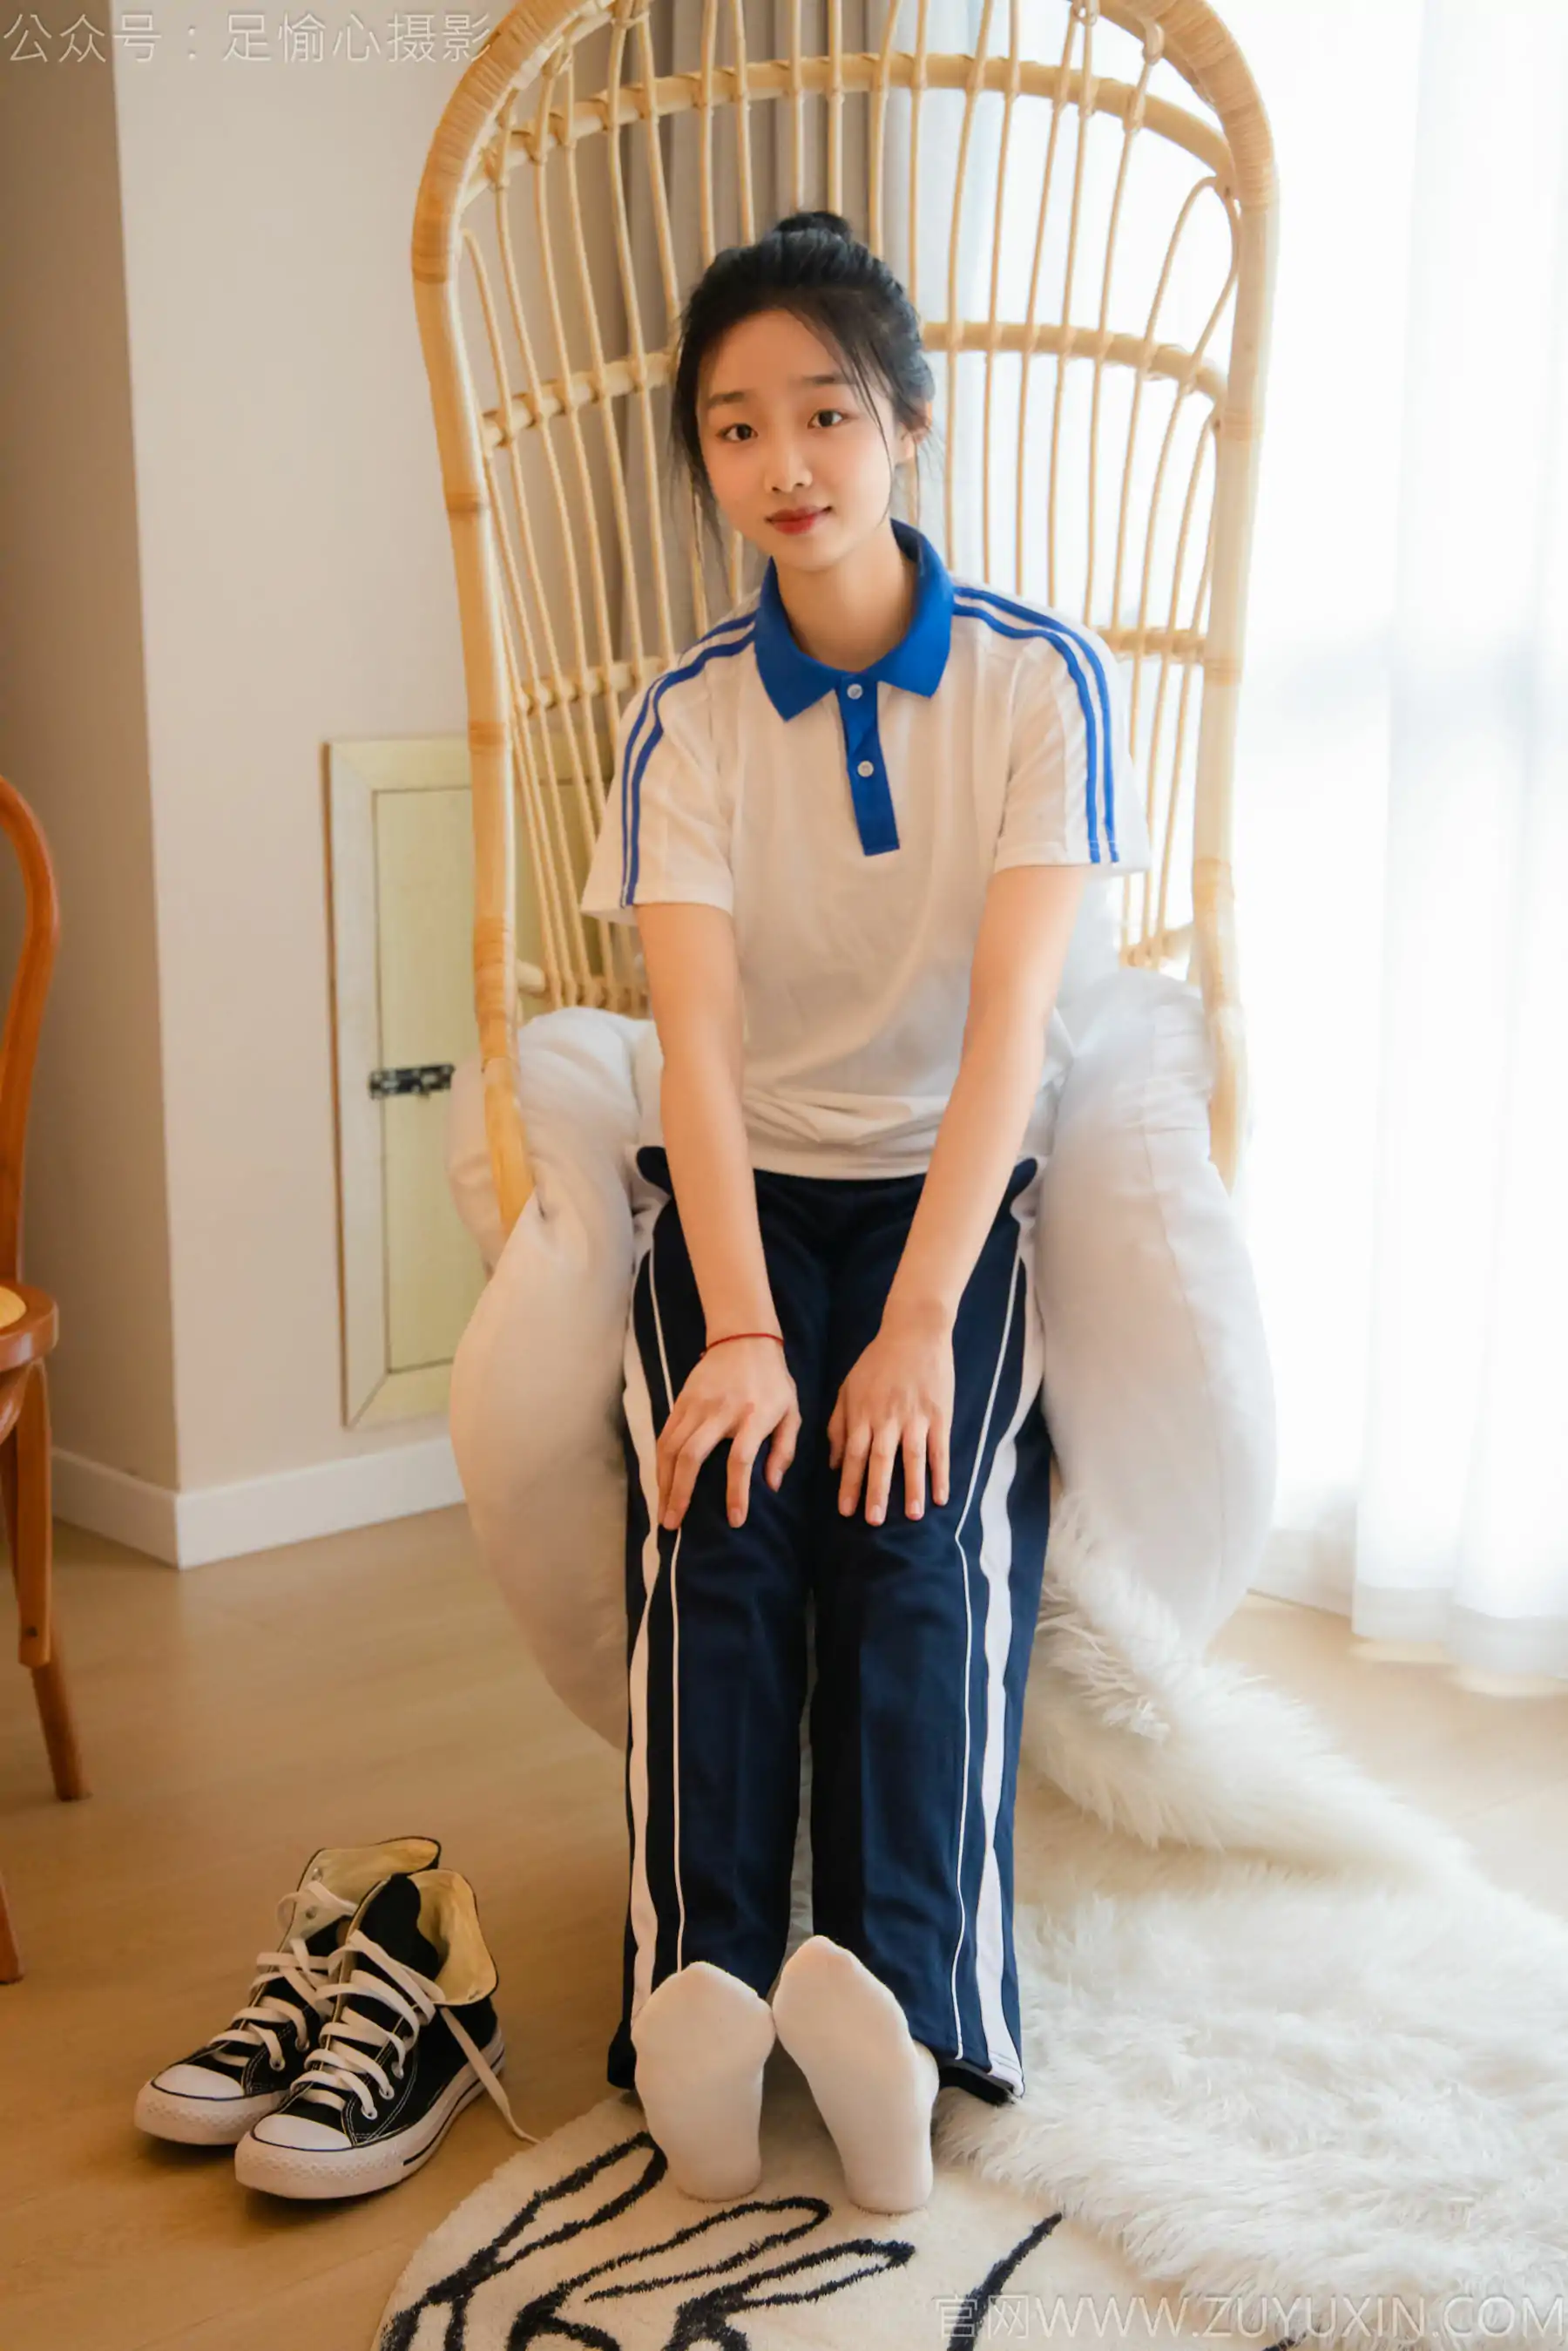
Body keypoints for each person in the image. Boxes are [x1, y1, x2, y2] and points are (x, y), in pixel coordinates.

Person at [577, 209, 1152, 2215]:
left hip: (942, 1197)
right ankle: (702, 1990)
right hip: (745, 1193)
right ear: (705, 459)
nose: (786, 461)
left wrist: (914, 1326)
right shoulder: (685, 715)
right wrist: (742, 1331)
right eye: (735, 426)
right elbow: (696, 1049)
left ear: (908, 419)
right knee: (720, 1502)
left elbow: (1010, 1033)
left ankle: (907, 2009)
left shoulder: (1037, 681)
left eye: (825, 411)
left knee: (916, 1524)